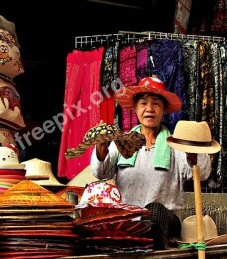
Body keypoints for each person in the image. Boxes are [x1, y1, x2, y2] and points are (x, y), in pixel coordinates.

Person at [91, 76, 212, 211]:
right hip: (130, 221)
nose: (149, 109)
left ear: (164, 109)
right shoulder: (121, 142)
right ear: (135, 108)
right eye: (143, 103)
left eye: (156, 103)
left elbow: (202, 174)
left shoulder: (176, 146)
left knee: (156, 212)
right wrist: (101, 151)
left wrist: (193, 153)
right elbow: (101, 174)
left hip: (165, 222)